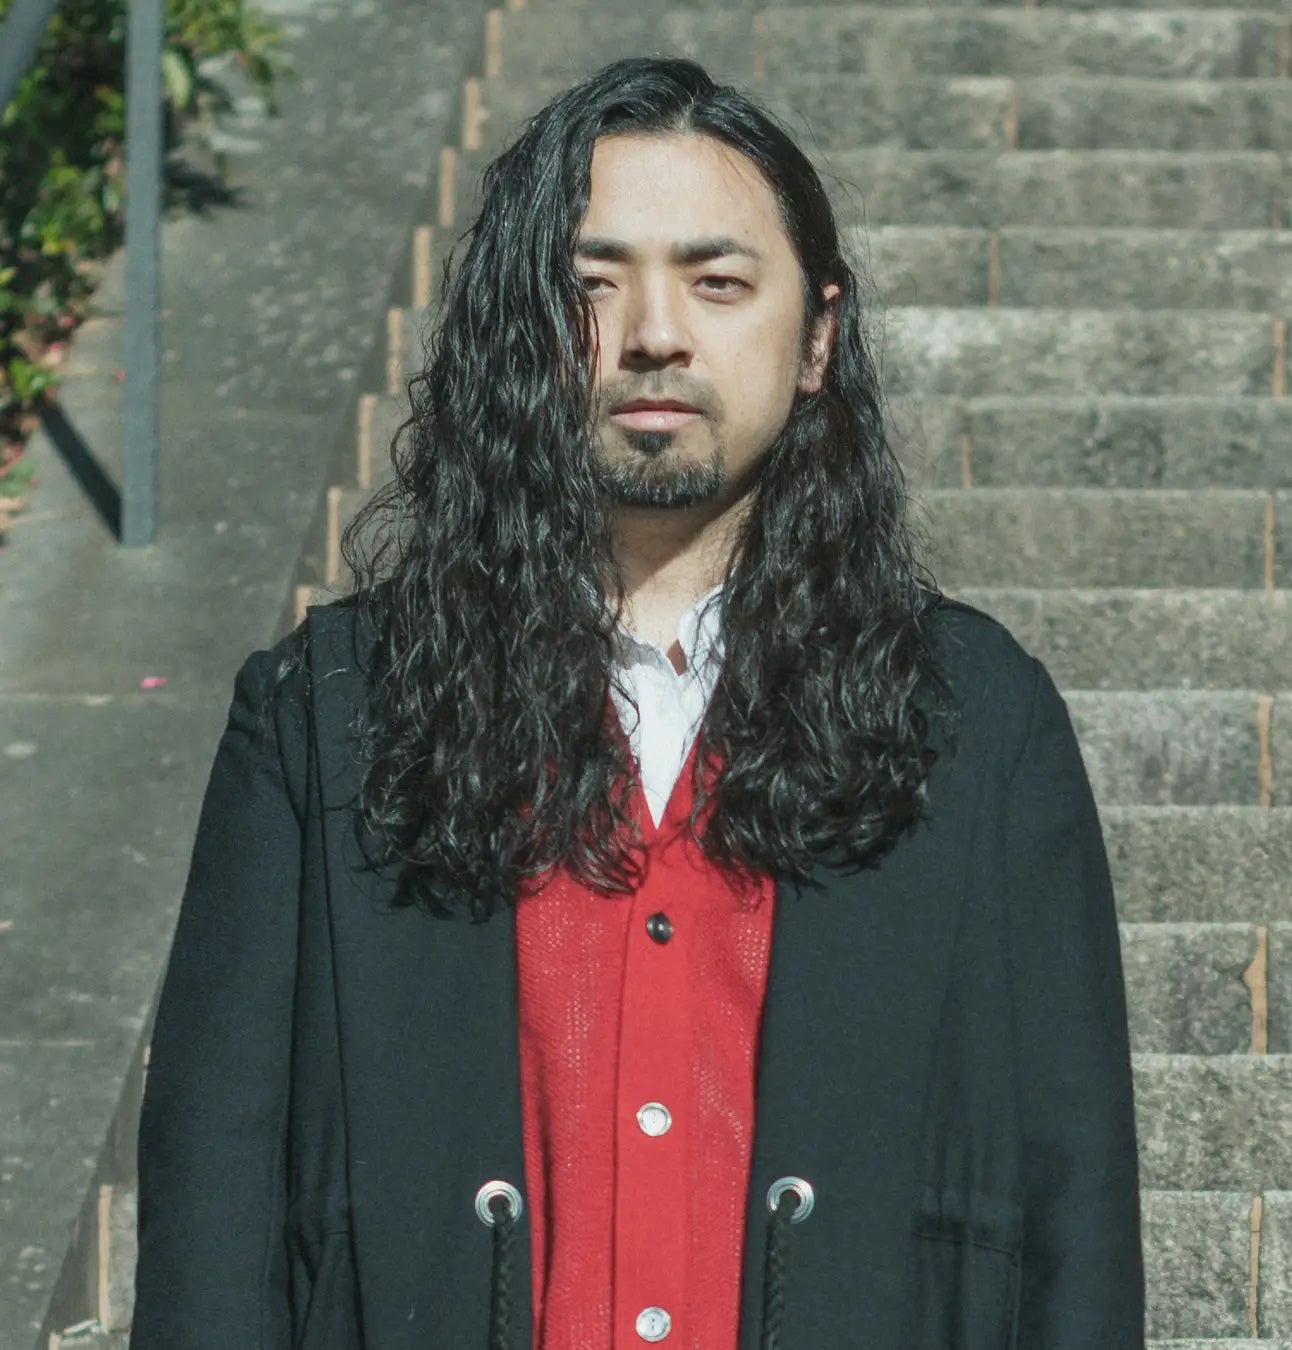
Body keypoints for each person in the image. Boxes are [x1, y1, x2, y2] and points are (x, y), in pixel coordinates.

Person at [131, 55, 1145, 1350]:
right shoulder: (326, 717)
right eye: (589, 286)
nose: (655, 332)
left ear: (819, 335)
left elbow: (1076, 1218)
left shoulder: (976, 720)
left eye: (719, 282)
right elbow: (213, 1219)